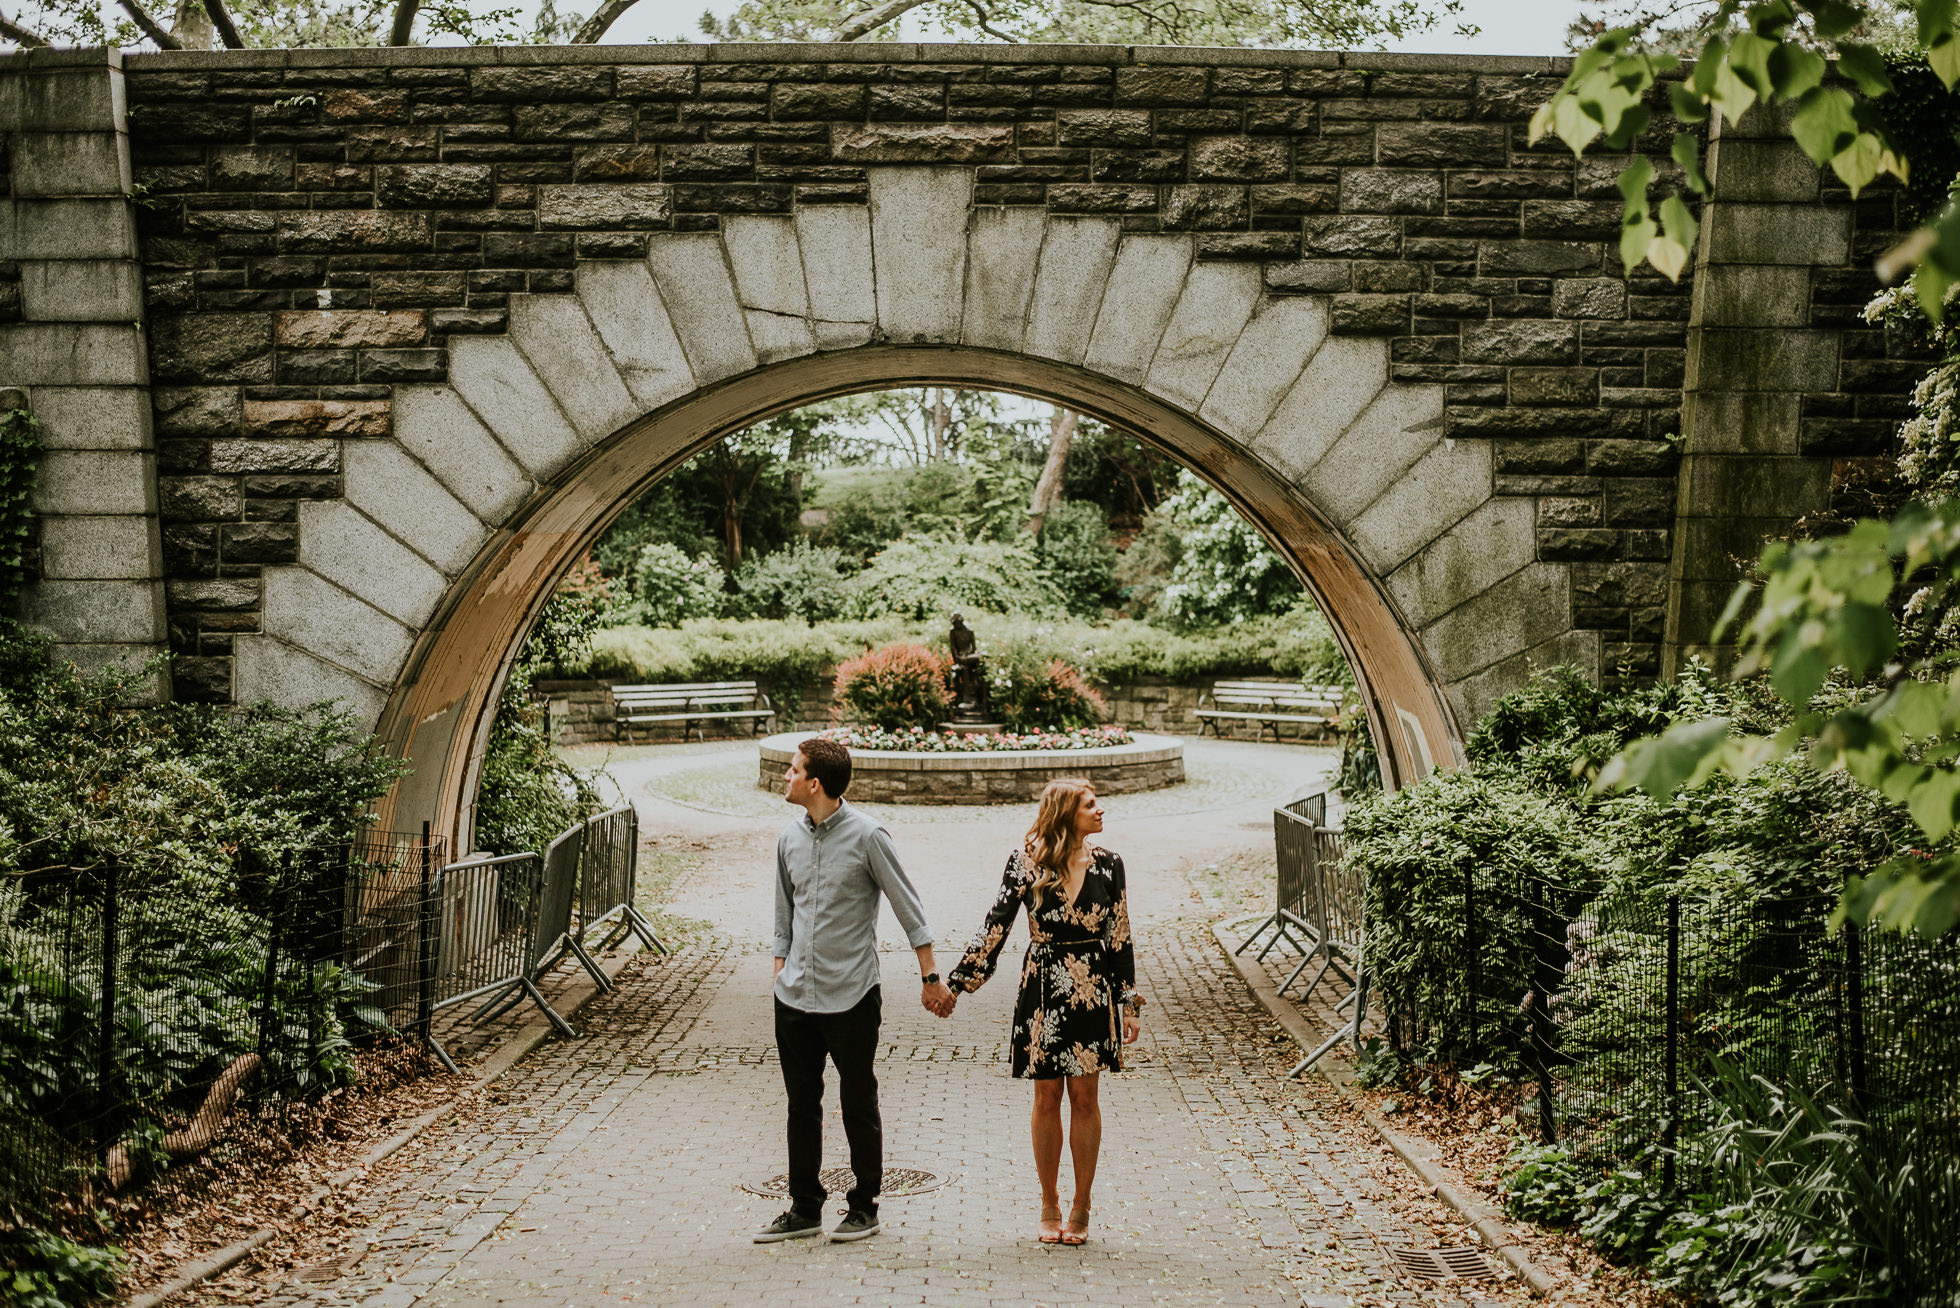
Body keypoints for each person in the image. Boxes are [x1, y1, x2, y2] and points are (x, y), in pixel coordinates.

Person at [755, 736, 957, 1245]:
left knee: (857, 1100)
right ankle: (804, 1208)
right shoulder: (788, 839)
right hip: (794, 997)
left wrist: (930, 977)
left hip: (852, 994)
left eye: (793, 770)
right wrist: (780, 974)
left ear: (814, 782)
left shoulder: (869, 837)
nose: (786, 776)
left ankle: (864, 1206)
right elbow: (784, 916)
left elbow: (909, 909)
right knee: (801, 1104)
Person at [937, 779, 1144, 1246]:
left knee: (1085, 1100)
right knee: (1046, 1099)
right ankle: (1049, 1201)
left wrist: (1129, 1002)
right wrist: (956, 984)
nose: (1100, 810)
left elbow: (1120, 936)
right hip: (1044, 990)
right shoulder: (1026, 862)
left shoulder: (1110, 865)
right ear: (1066, 813)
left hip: (1092, 990)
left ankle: (1081, 1204)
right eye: (1091, 805)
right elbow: (995, 926)